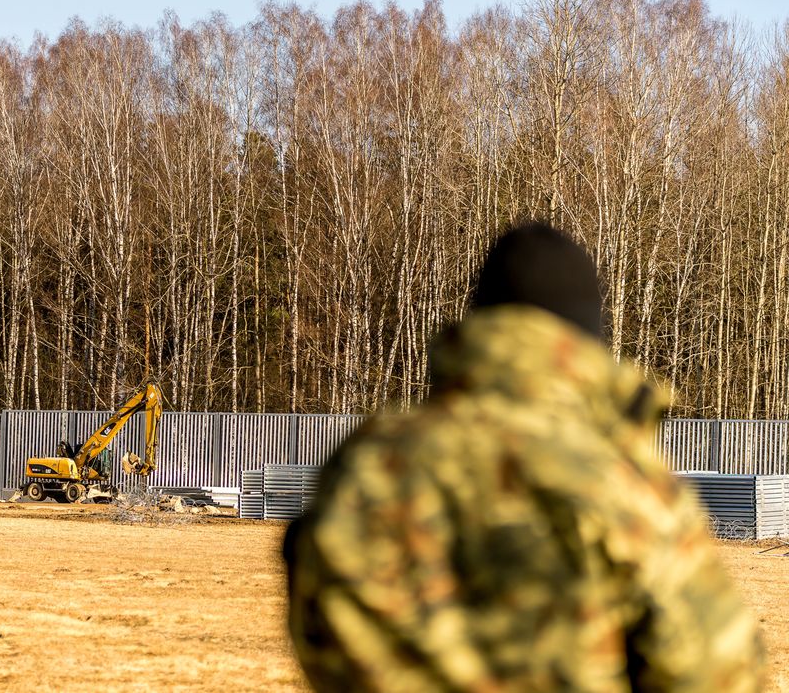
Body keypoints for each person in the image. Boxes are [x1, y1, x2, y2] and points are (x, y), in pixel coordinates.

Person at [284, 223, 764, 692]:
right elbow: (714, 673)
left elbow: (319, 631)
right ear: (582, 338)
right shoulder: (620, 478)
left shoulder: (368, 462)